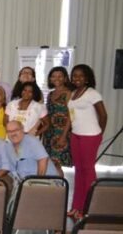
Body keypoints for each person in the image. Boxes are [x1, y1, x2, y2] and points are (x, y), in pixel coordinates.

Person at [67, 64, 107, 218]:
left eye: (81, 75)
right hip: (76, 135)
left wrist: (99, 134)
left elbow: (103, 115)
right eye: (74, 75)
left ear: (87, 78)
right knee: (78, 171)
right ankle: (76, 207)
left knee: (88, 171)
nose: (77, 78)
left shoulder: (92, 93)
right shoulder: (73, 93)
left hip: (90, 136)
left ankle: (88, 209)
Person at [43, 66, 72, 175]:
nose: (57, 78)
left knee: (57, 163)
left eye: (60, 76)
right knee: (50, 163)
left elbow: (71, 116)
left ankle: (60, 184)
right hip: (49, 133)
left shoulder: (68, 93)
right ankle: (53, 184)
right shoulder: (50, 94)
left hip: (61, 133)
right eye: (54, 76)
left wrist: (64, 136)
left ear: (65, 78)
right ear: (50, 79)